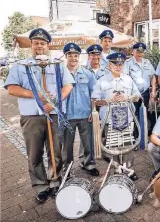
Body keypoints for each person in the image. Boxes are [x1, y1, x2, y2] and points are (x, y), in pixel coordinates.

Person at [4, 28, 75, 203]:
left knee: (55, 151)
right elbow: (12, 88)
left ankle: (54, 181)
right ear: (31, 45)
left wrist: (55, 102)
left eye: (43, 43)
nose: (39, 46)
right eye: (36, 43)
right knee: (34, 153)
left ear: (47, 45)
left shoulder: (57, 64)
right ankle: (40, 186)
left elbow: (68, 86)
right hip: (31, 117)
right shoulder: (20, 66)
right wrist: (36, 94)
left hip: (54, 114)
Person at [91, 52, 141, 180]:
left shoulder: (128, 79)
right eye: (115, 63)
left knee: (127, 145)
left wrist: (127, 97)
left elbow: (137, 97)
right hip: (109, 120)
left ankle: (129, 170)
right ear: (109, 64)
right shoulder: (101, 81)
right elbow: (95, 101)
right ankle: (117, 170)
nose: (118, 66)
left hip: (127, 118)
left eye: (121, 64)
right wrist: (109, 100)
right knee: (113, 146)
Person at [62, 43, 99, 176]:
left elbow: (94, 94)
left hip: (85, 114)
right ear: (66, 56)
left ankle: (88, 163)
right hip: (67, 115)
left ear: (79, 57)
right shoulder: (60, 73)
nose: (73, 58)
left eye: (76, 55)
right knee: (67, 145)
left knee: (88, 142)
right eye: (70, 55)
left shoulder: (87, 74)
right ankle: (67, 169)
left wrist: (92, 110)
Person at [124, 42, 156, 112]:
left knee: (145, 114)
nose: (140, 54)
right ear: (133, 52)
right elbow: (125, 78)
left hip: (145, 93)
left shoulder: (147, 62)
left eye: (142, 52)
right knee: (133, 113)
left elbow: (153, 77)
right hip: (133, 94)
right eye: (138, 52)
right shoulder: (128, 63)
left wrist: (153, 91)